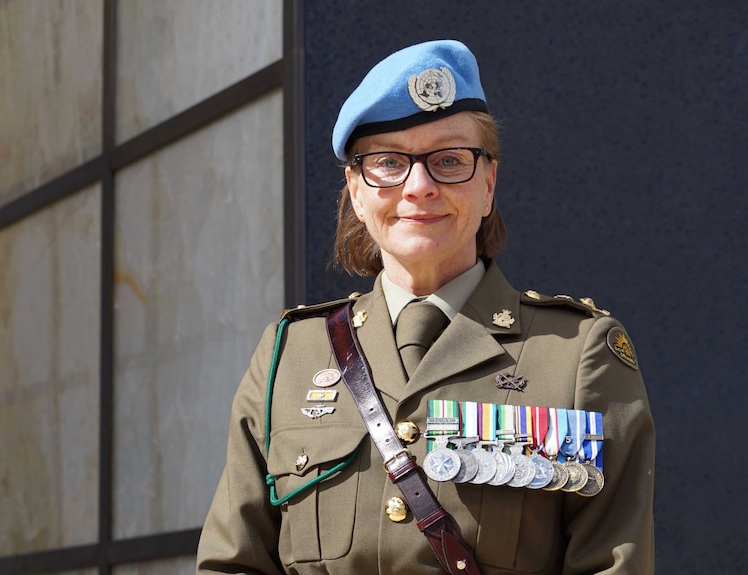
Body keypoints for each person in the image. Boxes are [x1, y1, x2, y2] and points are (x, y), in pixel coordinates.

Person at [196, 40, 654, 575]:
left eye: (449, 161)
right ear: (357, 192)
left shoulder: (576, 356)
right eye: (389, 162)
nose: (420, 187)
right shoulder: (290, 356)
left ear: (488, 185)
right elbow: (233, 565)